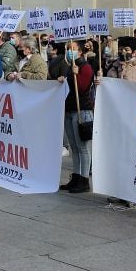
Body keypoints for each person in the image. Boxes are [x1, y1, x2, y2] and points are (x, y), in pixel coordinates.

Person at [49, 41, 94, 193]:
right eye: (68, 49)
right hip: (69, 110)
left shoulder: (86, 68)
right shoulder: (69, 67)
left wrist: (75, 76)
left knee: (83, 148)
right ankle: (76, 177)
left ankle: (84, 179)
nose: (69, 52)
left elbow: (81, 88)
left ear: (80, 52)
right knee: (74, 147)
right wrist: (63, 79)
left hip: (82, 110)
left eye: (73, 49)